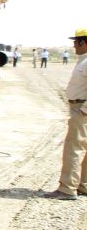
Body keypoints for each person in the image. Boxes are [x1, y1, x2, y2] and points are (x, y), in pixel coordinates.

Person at [42, 29, 87, 200]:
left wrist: (83, 110)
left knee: (74, 148)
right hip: (81, 108)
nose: (73, 45)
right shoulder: (83, 61)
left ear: (83, 42)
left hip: (82, 110)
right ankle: (83, 185)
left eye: (76, 42)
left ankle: (67, 189)